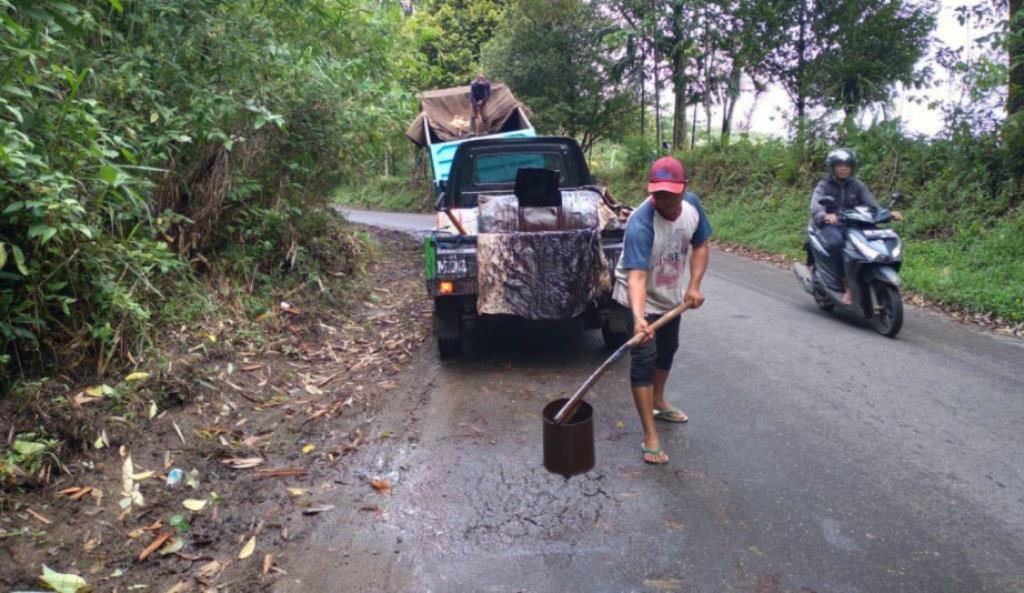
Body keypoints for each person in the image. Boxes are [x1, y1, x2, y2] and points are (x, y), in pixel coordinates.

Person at [613, 156, 712, 465]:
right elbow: (637, 277)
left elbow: (701, 244)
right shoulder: (641, 224)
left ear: (684, 188)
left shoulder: (693, 207)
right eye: (659, 193)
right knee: (644, 359)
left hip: (671, 297)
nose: (665, 199)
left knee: (667, 350)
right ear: (650, 190)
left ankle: (658, 400)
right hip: (639, 296)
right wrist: (640, 318)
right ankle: (650, 435)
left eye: (672, 192)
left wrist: (694, 284)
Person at [809, 148, 902, 305]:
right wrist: (825, 215)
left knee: (881, 240)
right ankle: (846, 286)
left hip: (857, 225)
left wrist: (888, 213)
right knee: (837, 243)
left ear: (852, 167)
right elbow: (816, 206)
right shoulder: (824, 185)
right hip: (833, 225)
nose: (843, 168)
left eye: (847, 165)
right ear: (832, 167)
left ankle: (870, 277)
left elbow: (872, 206)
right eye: (839, 165)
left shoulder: (857, 185)